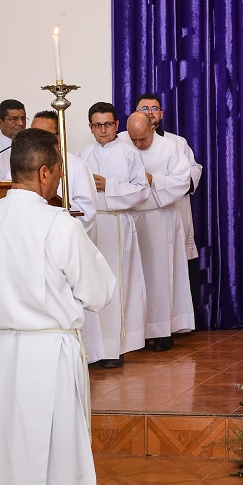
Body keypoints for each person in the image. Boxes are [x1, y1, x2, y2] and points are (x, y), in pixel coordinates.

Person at [0, 128, 114, 485]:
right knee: (56, 463)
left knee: (1, 461)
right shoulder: (57, 225)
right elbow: (99, 291)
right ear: (45, 173)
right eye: (59, 173)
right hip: (47, 354)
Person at [77, 102, 150, 368]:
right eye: (98, 125)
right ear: (90, 127)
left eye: (108, 124)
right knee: (90, 285)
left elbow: (142, 191)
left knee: (117, 287)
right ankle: (92, 349)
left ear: (117, 125)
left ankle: (115, 348)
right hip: (89, 227)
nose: (103, 129)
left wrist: (110, 186)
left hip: (118, 226)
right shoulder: (81, 156)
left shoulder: (129, 154)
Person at [120, 112, 194, 350]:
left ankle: (162, 331)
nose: (138, 145)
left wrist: (153, 180)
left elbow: (183, 181)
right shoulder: (121, 143)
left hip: (159, 217)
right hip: (132, 216)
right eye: (134, 140)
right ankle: (136, 331)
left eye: (142, 139)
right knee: (135, 276)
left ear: (153, 128)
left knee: (160, 277)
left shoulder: (170, 147)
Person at [134, 92, 203, 262]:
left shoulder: (177, 142)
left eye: (154, 108)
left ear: (161, 114)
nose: (150, 112)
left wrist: (170, 182)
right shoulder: (125, 141)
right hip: (139, 213)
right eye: (144, 108)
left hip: (174, 208)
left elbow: (194, 169)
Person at [30, 110, 98, 233]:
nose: (36, 140)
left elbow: (87, 211)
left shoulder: (77, 165)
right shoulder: (22, 163)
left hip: (61, 235)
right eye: (33, 134)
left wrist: (52, 211)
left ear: (58, 136)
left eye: (43, 135)